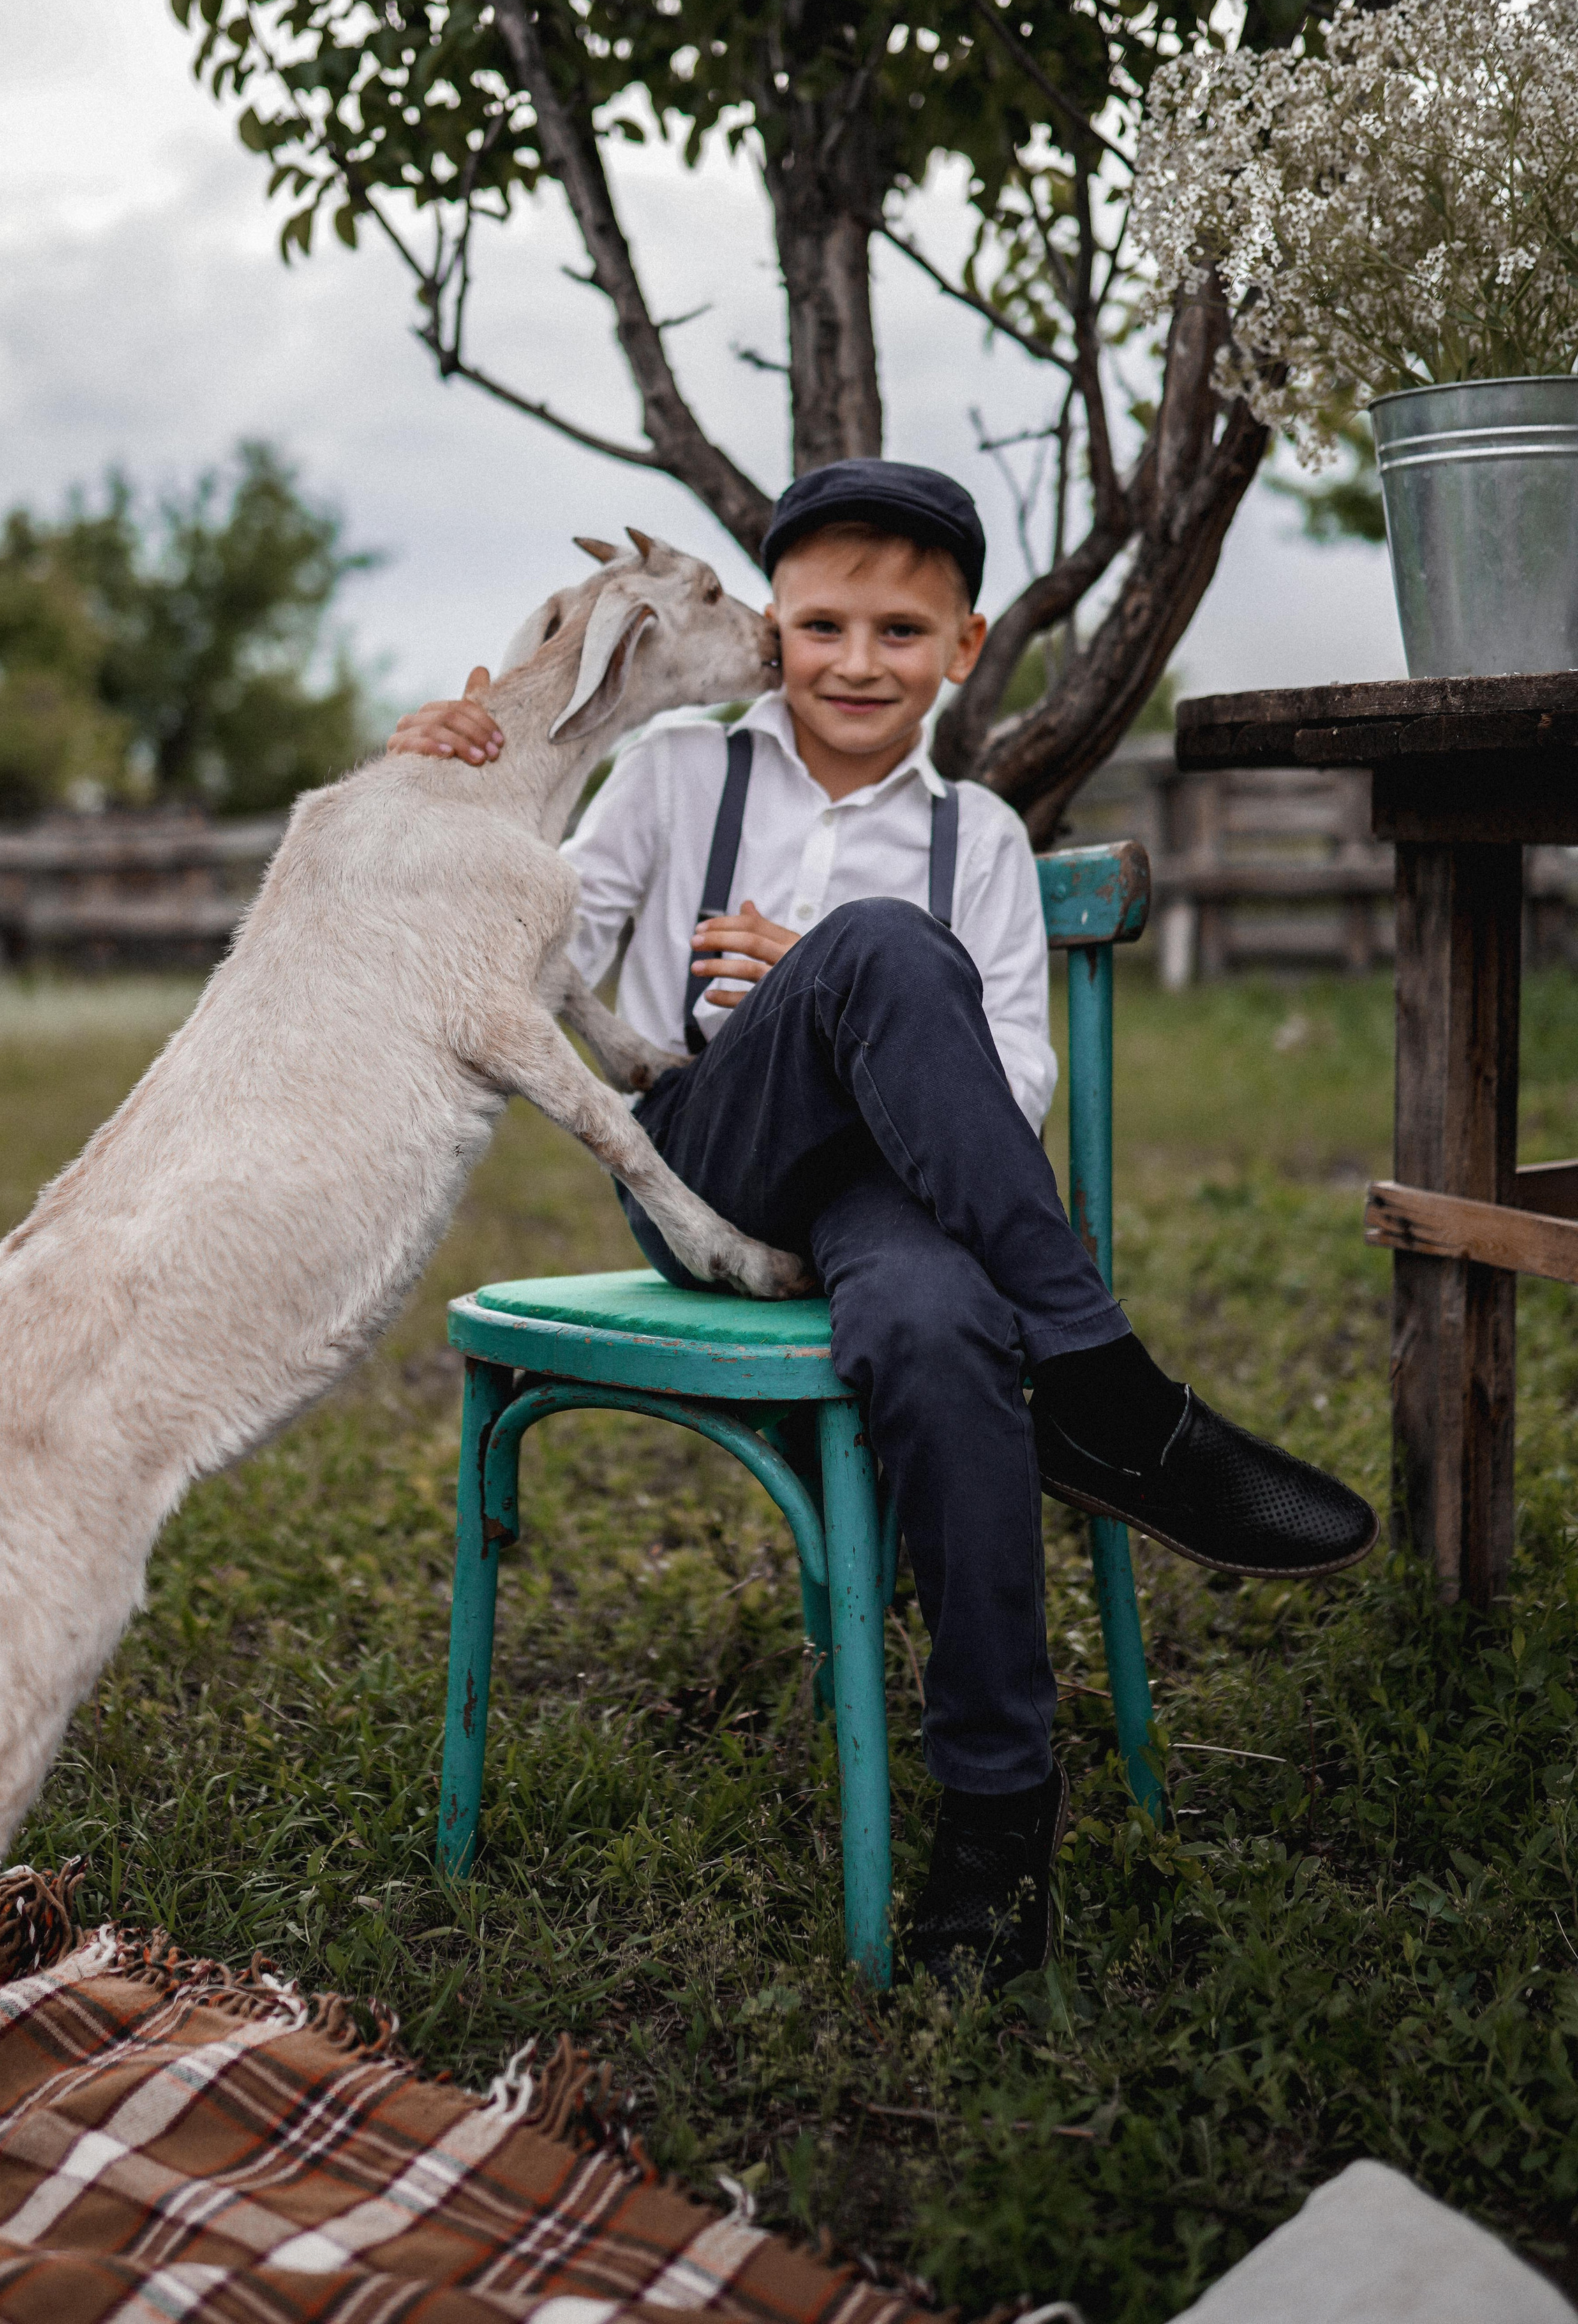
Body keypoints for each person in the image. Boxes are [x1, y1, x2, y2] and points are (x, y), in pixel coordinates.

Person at [390, 460, 1376, 1988]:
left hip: (894, 1203)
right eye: (822, 627)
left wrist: (851, 990)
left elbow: (1013, 1091)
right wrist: (456, 777)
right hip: (708, 1165)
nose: (857, 663)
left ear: (964, 648)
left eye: (901, 633)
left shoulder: (977, 834)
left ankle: (996, 1819)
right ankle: (1109, 1389)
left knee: (936, 1321)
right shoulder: (677, 778)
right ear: (773, 629)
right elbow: (522, 938)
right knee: (876, 951)